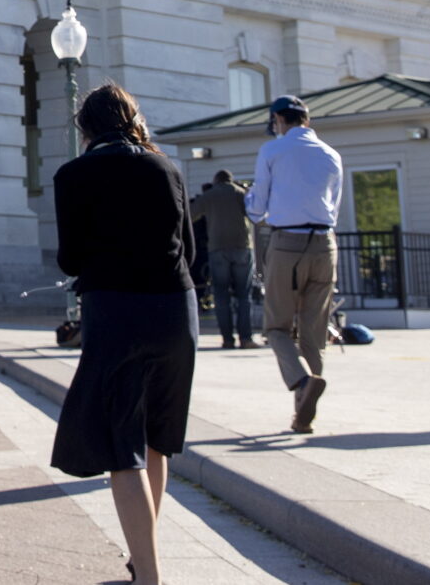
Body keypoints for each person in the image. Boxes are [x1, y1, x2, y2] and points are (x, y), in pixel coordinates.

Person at [50, 84, 197, 585]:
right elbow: (190, 253)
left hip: (116, 312)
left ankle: (150, 576)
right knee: (157, 441)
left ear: (85, 127)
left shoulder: (73, 174)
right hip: (177, 311)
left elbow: (71, 258)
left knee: (121, 446)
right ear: (134, 118)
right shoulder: (167, 167)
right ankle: (143, 559)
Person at [246, 95, 344, 433]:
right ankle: (303, 414)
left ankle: (302, 381)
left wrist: (249, 202)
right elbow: (335, 206)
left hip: (287, 242)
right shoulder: (332, 155)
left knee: (277, 327)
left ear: (278, 121)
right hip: (324, 243)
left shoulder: (272, 151)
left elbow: (257, 208)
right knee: (313, 333)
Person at [193, 169, 257, 349]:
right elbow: (255, 215)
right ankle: (246, 338)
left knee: (221, 296)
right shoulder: (240, 193)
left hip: (217, 248)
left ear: (216, 180)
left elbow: (190, 215)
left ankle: (227, 339)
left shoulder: (209, 195)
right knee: (244, 296)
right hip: (242, 247)